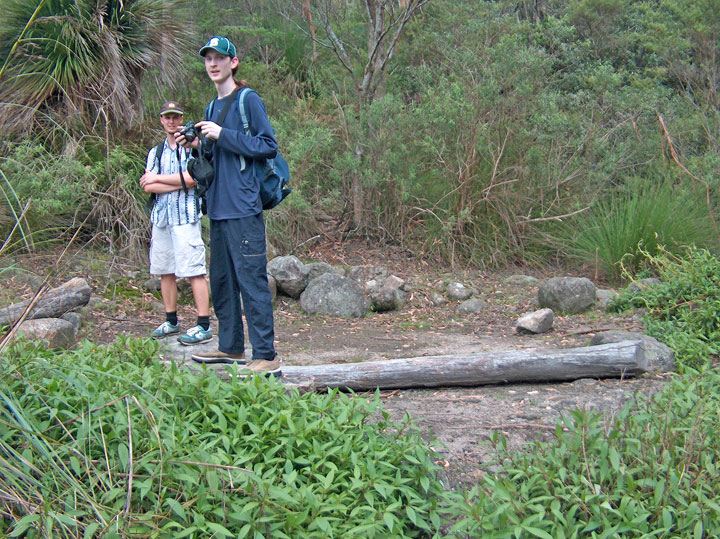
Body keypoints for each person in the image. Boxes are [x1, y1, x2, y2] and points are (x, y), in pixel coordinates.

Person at [179, 36, 281, 377]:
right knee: (222, 281)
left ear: (233, 62)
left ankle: (265, 354)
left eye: (219, 58)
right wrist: (196, 142)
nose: (213, 64)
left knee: (251, 282)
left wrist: (223, 135)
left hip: (244, 207)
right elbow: (213, 156)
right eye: (208, 58)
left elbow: (267, 145)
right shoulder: (211, 108)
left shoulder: (247, 100)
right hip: (218, 208)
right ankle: (231, 346)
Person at [140, 101, 212, 346]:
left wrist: (161, 179)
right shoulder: (155, 152)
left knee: (194, 269)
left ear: (181, 119)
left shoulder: (190, 148)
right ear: (161, 120)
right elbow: (147, 186)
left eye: (175, 117)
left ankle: (203, 324)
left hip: (185, 216)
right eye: (167, 117)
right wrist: (175, 181)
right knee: (165, 269)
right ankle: (171, 320)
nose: (171, 122)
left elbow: (193, 179)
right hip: (162, 217)